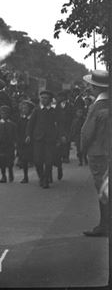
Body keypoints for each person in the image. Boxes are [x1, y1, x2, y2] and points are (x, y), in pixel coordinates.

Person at [80, 70, 110, 237]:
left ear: (97, 88)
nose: (89, 88)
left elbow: (86, 133)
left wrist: (82, 150)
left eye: (91, 85)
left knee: (103, 191)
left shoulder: (96, 107)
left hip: (98, 154)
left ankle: (104, 226)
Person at [26, 90, 64, 189]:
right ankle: (42, 177)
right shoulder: (36, 110)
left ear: (50, 100)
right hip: (38, 139)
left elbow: (59, 124)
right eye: (42, 98)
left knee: (48, 161)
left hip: (50, 140)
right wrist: (28, 135)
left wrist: (60, 137)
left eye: (46, 98)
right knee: (38, 161)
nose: (43, 100)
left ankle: (46, 179)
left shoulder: (53, 111)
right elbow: (30, 124)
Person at [0, 105, 17, 183]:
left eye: (5, 113)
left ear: (8, 114)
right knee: (1, 161)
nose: (4, 115)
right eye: (2, 113)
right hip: (0, 145)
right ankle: (3, 176)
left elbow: (15, 135)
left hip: (9, 145)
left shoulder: (12, 125)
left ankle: (10, 172)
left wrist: (16, 143)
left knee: (9, 160)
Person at [16, 99, 35, 183]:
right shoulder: (21, 119)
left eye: (26, 108)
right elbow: (18, 129)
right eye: (22, 108)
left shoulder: (33, 119)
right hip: (22, 141)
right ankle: (25, 176)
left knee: (37, 159)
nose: (24, 110)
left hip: (32, 141)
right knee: (24, 159)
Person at [55, 90, 74, 164]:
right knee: (60, 140)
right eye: (59, 96)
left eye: (61, 96)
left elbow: (72, 115)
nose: (60, 98)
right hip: (59, 125)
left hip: (67, 125)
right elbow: (55, 115)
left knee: (67, 141)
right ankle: (61, 156)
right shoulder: (57, 106)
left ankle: (66, 157)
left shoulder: (70, 105)